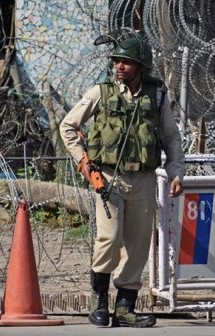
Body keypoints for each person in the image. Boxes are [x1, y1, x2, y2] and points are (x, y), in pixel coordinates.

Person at [59, 34, 185, 328]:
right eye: (116, 61)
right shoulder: (100, 93)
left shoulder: (157, 96)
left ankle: (125, 307)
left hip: (143, 179)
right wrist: (83, 162)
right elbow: (68, 126)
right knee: (110, 238)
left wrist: (177, 171)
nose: (119, 66)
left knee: (139, 245)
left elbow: (171, 138)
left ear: (141, 66)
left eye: (126, 62)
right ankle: (99, 301)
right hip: (109, 177)